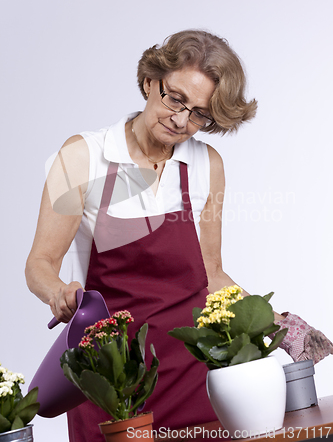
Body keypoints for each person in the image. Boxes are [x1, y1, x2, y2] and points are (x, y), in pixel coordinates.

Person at [25, 30, 332, 442]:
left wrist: (278, 325)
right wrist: (58, 292)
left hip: (194, 375)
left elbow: (212, 275)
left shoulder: (207, 164)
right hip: (114, 378)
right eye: (175, 99)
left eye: (199, 114)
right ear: (151, 81)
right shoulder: (82, 157)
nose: (182, 120)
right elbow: (39, 264)